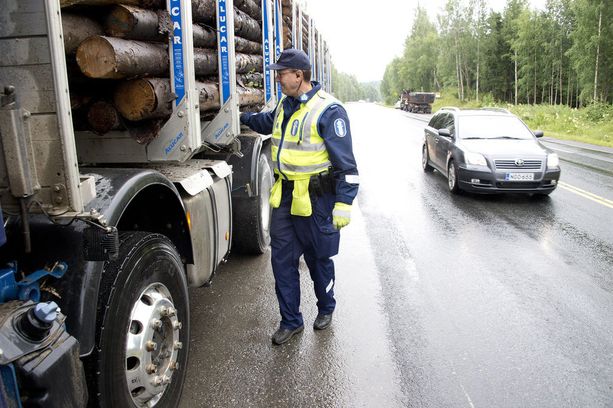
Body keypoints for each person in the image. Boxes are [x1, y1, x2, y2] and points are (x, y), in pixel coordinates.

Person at [240, 48, 359, 345]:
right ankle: (291, 320)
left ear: (299, 75)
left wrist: (343, 203)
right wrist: (241, 117)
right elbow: (268, 122)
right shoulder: (285, 104)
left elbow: (348, 167)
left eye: (282, 73)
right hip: (286, 196)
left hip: (318, 199)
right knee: (282, 261)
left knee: (318, 259)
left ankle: (326, 307)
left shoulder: (329, 111)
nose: (278, 78)